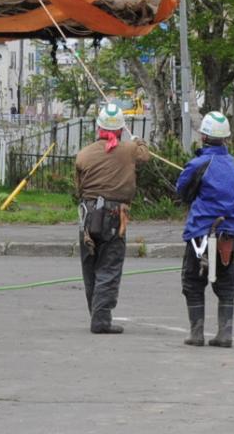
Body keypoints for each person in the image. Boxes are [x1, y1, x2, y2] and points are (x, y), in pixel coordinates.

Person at [73, 102, 151, 334]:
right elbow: (145, 156)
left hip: (87, 216)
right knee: (109, 265)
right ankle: (101, 319)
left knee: (91, 265)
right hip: (115, 216)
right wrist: (138, 140)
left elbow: (78, 187)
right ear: (120, 129)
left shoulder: (83, 154)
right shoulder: (128, 150)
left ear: (98, 127)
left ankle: (96, 314)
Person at [174, 111, 234, 348]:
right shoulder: (233, 165)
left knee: (193, 281)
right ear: (225, 138)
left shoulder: (199, 164)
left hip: (201, 232)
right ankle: (225, 334)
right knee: (226, 282)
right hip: (228, 234)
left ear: (203, 137)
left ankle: (196, 334)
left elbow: (182, 192)